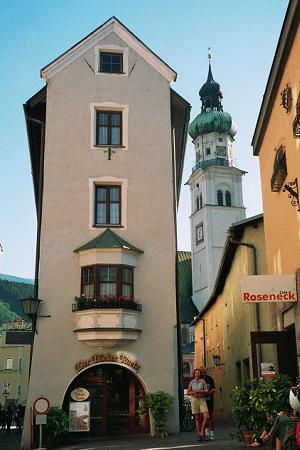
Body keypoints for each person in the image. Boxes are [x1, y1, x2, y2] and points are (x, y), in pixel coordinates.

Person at [187, 368, 209, 441]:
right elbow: (188, 392)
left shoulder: (202, 381)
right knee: (197, 418)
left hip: (202, 400)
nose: (197, 374)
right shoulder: (191, 382)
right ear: (194, 374)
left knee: (206, 417)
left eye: (198, 373)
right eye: (196, 373)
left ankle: (202, 430)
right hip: (194, 400)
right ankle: (199, 434)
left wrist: (199, 390)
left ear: (200, 374)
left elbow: (206, 390)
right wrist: (194, 392)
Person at [200, 366, 216, 440]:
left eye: (205, 372)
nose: (204, 373)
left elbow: (213, 389)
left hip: (209, 400)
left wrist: (208, 393)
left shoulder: (210, 379)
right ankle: (206, 432)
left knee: (211, 416)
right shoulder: (198, 380)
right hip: (201, 400)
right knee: (204, 417)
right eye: (202, 372)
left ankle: (211, 432)